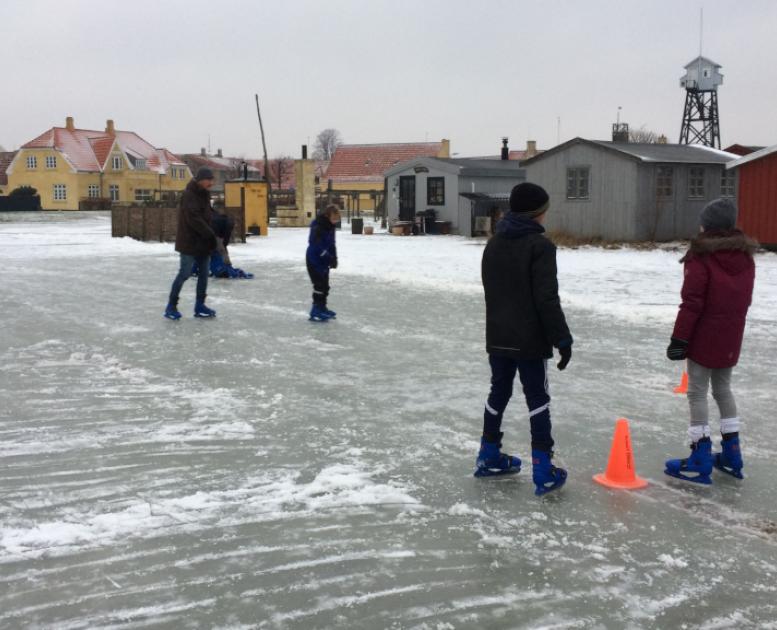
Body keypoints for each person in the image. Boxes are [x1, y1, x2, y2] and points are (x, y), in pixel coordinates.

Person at [478, 182, 573, 496]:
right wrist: (562, 338)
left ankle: (489, 454)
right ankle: (544, 469)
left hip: (498, 335)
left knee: (499, 393)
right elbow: (546, 299)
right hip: (529, 340)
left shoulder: (493, 244)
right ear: (538, 213)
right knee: (537, 399)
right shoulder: (540, 246)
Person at [665, 199, 756, 484]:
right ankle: (732, 452)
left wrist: (679, 338)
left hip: (704, 336)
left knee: (696, 392)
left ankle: (700, 455)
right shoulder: (745, 256)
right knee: (723, 390)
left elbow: (691, 303)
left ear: (709, 226)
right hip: (731, 335)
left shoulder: (700, 256)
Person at [164, 167, 218, 320]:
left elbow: (207, 213)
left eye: (212, 180)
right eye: (209, 180)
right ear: (201, 180)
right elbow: (193, 218)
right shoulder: (189, 195)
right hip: (189, 241)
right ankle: (171, 306)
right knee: (185, 273)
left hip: (203, 242)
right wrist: (209, 233)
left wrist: (219, 219)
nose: (212, 183)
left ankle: (200, 305)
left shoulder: (205, 194)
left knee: (203, 275)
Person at [306, 204, 340, 321]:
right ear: (327, 216)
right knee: (319, 285)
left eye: (337, 219)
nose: (335, 221)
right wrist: (328, 257)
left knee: (325, 286)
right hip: (314, 259)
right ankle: (315, 310)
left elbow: (332, 244)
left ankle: (322, 308)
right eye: (334, 218)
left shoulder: (331, 226)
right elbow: (316, 246)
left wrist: (334, 257)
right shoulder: (318, 226)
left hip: (324, 260)